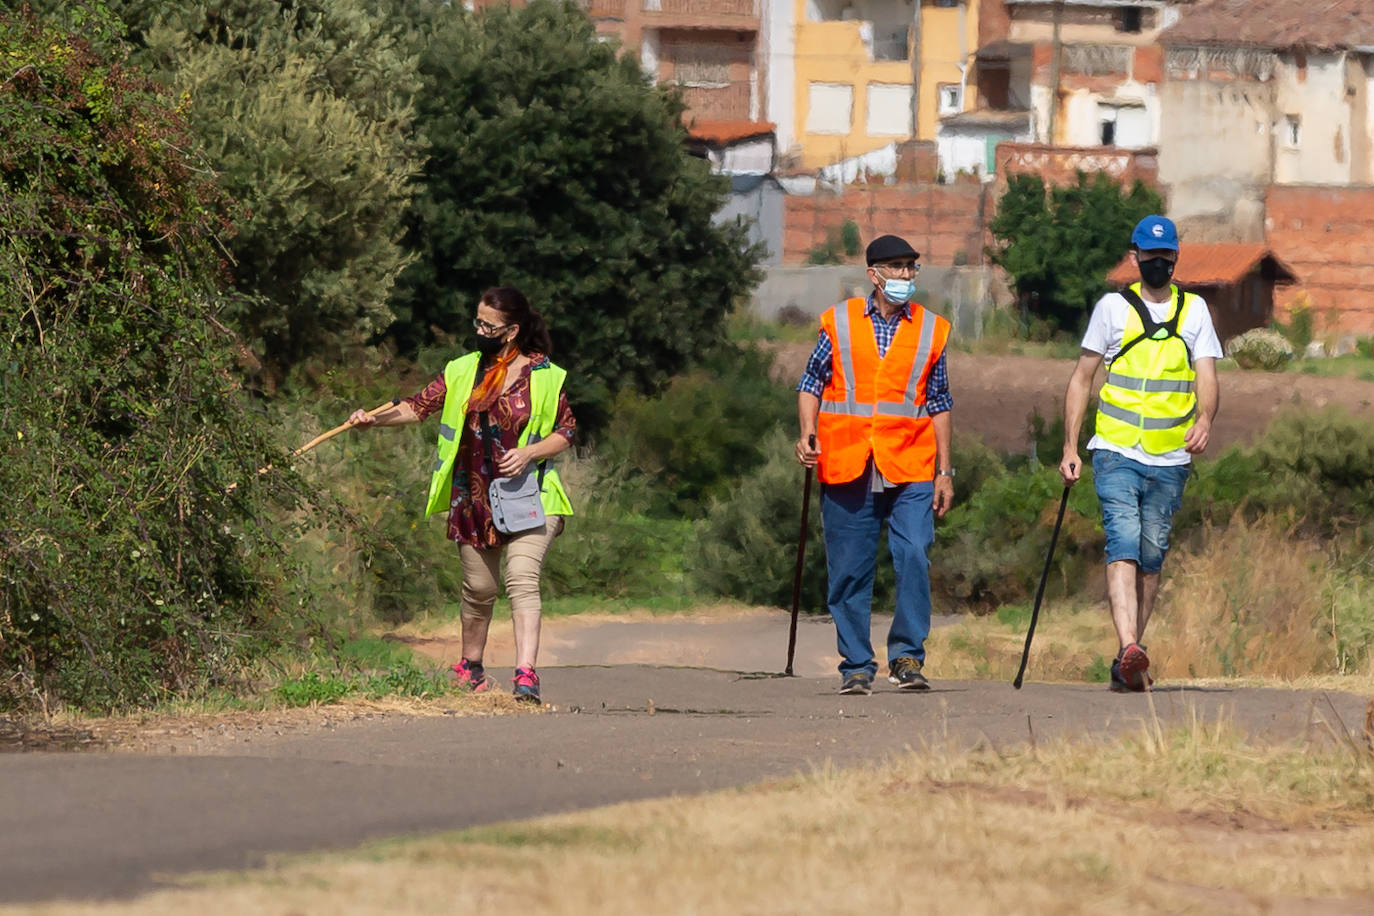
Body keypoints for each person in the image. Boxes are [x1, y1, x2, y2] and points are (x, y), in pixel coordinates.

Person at [349, 286, 576, 704]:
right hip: (474, 499)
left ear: (511, 331)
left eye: (487, 325)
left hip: (532, 497)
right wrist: (372, 420)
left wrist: (529, 452)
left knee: (521, 580)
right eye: (478, 321)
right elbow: (417, 406)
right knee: (479, 590)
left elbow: (567, 431)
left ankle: (526, 675)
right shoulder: (462, 371)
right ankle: (470, 668)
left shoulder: (546, 375)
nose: (479, 330)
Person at [1059, 215, 1221, 692]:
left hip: (1170, 457)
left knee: (1152, 557)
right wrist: (1070, 446)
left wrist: (1206, 419)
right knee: (1124, 541)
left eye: (1165, 258)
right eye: (1149, 258)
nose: (1157, 265)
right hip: (1115, 451)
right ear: (1135, 257)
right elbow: (1081, 378)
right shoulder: (1111, 308)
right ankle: (1130, 644)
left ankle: (1128, 658)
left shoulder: (1194, 312)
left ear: (1175, 258)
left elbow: (1206, 375)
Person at [794, 234, 955, 696]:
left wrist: (945, 471)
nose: (907, 275)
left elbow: (940, 401)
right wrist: (807, 432)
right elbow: (811, 383)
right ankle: (857, 665)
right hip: (847, 463)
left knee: (913, 555)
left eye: (911, 267)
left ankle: (906, 656)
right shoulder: (839, 323)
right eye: (898, 266)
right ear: (874, 275)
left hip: (910, 466)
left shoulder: (931, 329)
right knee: (849, 569)